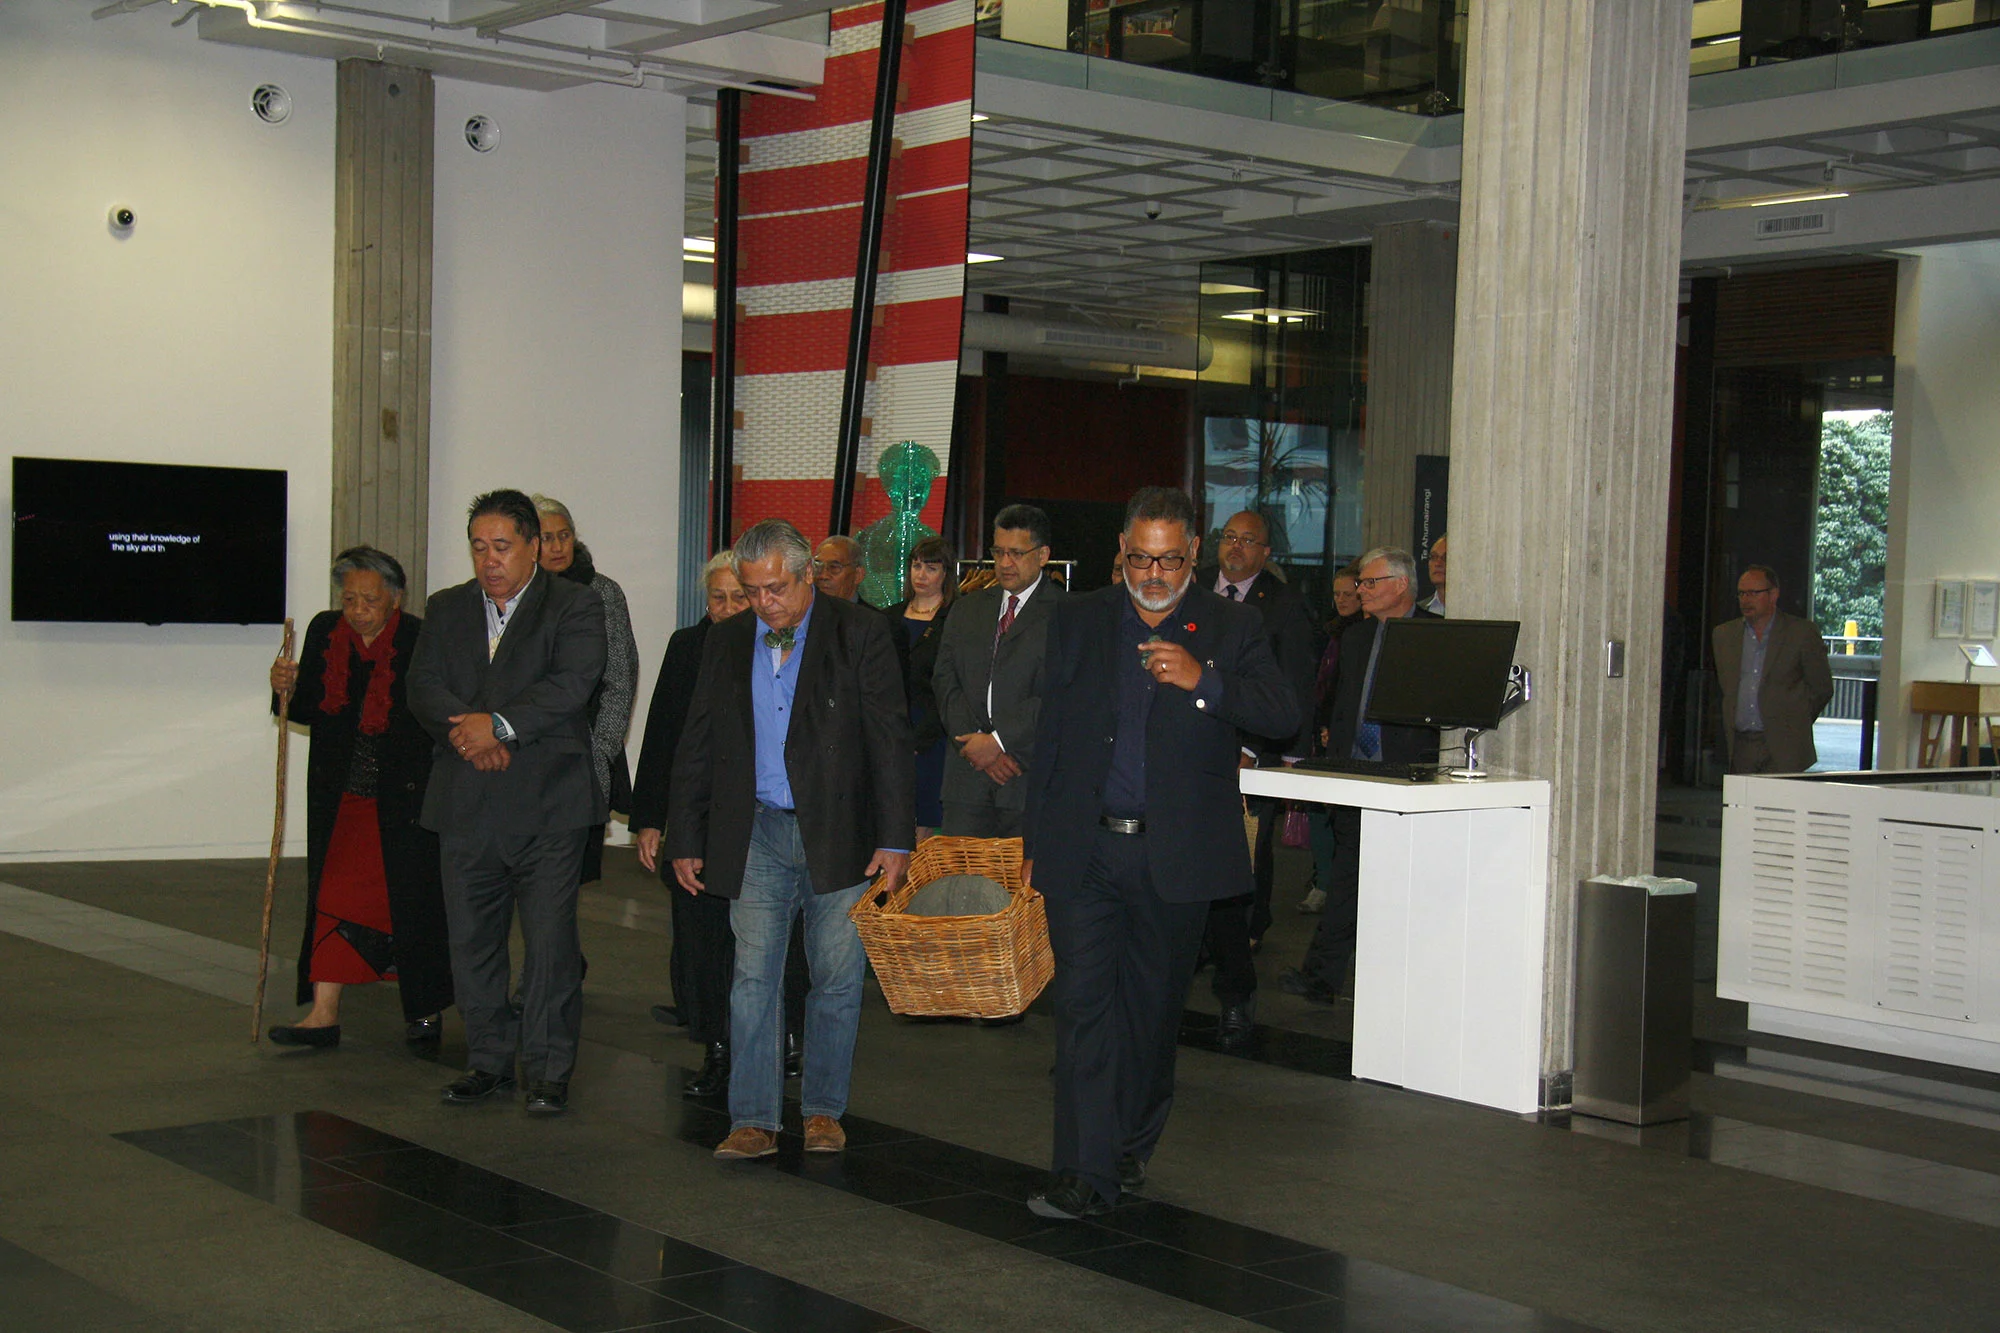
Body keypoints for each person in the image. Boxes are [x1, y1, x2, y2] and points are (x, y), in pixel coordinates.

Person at [1022, 486, 1297, 1219]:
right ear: (1121, 549)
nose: (1153, 573)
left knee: (1149, 1014)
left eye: (1169, 559)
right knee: (1082, 1010)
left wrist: (1204, 681)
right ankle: (1080, 1171)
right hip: (1085, 848)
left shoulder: (1232, 625)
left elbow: (1282, 714)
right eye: (1140, 558)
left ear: (1193, 553)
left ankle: (1129, 1142)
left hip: (1175, 857)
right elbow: (1052, 734)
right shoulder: (1077, 619)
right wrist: (1035, 843)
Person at [668, 519, 913, 1160]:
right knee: (753, 976)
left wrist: (896, 839)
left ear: (808, 576)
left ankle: (823, 1110)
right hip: (753, 831)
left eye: (775, 588)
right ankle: (752, 1118)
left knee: (835, 976)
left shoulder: (860, 633)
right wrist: (685, 834)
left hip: (840, 831)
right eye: (752, 591)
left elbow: (890, 740)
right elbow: (698, 741)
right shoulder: (725, 641)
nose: (764, 602)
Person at [408, 489, 606, 1116]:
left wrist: (497, 726)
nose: (488, 560)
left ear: (533, 546)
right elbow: (422, 685)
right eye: (478, 547)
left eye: (501, 546)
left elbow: (572, 685)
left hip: (548, 806)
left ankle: (547, 1070)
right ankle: (488, 1061)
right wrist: (470, 735)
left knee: (549, 947)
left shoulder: (574, 604)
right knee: (473, 943)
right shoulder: (446, 607)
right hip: (466, 799)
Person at [265, 547, 453, 1048]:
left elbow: (439, 715)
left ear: (395, 598)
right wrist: (284, 687)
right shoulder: (324, 632)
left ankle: (424, 1009)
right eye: (349, 599)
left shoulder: (420, 638)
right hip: (342, 794)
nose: (358, 610)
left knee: (408, 901)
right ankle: (323, 1014)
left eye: (370, 600)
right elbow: (306, 709)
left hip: (404, 800)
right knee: (332, 896)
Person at [1281, 546, 1438, 1006]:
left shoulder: (1434, 634)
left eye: (1370, 583)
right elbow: (1343, 705)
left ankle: (1403, 983)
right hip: (1357, 771)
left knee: (1405, 885)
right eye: (1360, 583)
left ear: (1401, 585)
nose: (1361, 591)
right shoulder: (1356, 637)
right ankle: (1321, 977)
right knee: (1347, 878)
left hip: (1405, 776)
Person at [1198, 509, 1321, 1046]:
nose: (1236, 547)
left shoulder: (1283, 606)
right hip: (1183, 753)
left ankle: (1235, 990)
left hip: (1245, 755)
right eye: (1229, 537)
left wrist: (1258, 751)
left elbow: (1289, 690)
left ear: (1265, 553)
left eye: (1248, 541)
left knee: (1233, 874)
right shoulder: (1194, 588)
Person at [631, 552, 751, 1097]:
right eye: (717, 598)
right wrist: (649, 819)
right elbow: (662, 735)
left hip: (758, 818)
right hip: (697, 816)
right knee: (701, 940)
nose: (726, 609)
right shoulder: (687, 646)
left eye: (737, 597)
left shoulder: (777, 644)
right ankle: (716, 1049)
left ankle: (774, 1040)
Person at [933, 504, 1064, 840]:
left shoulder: (1068, 614)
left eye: (1016, 553)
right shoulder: (967, 609)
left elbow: (1060, 694)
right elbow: (945, 681)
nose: (1005, 563)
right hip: (966, 781)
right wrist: (976, 746)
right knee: (959, 875)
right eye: (998, 552)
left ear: (1043, 555)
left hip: (1025, 777)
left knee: (1024, 875)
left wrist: (999, 742)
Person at [532, 494, 639, 884]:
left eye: (565, 535)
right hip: (527, 752)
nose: (558, 546)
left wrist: (601, 749)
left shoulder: (601, 592)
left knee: (569, 876)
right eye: (547, 538)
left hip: (584, 749)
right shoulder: (517, 593)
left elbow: (620, 677)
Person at [1713, 564, 1834, 774]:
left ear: (1773, 595)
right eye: (1742, 593)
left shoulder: (1801, 633)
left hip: (1786, 745)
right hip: (1740, 746)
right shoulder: (1724, 635)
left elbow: (1821, 688)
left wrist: (1796, 720)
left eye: (1753, 593)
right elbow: (1726, 687)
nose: (1746, 600)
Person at [1298, 563, 1366, 915]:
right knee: (1320, 813)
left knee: (1337, 817)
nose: (1342, 600)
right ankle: (1324, 880)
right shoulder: (1330, 632)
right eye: (1337, 594)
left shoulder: (1361, 635)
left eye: (1348, 594)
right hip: (1322, 730)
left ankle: (1331, 884)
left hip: (1343, 734)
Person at [884, 535, 958, 839]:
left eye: (931, 568)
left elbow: (953, 686)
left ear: (946, 574)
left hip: (933, 735)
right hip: (890, 730)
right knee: (889, 820)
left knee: (923, 827)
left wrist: (920, 738)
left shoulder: (956, 618)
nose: (921, 575)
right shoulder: (888, 617)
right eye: (916, 566)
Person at [813, 534, 867, 603]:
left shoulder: (866, 610)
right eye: (818, 566)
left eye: (834, 567)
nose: (823, 576)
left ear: (858, 575)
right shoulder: (804, 608)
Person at [1420, 533, 1447, 615]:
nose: (1438, 563)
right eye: (1433, 557)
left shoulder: (1475, 607)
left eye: (1445, 558)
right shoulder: (1419, 611)